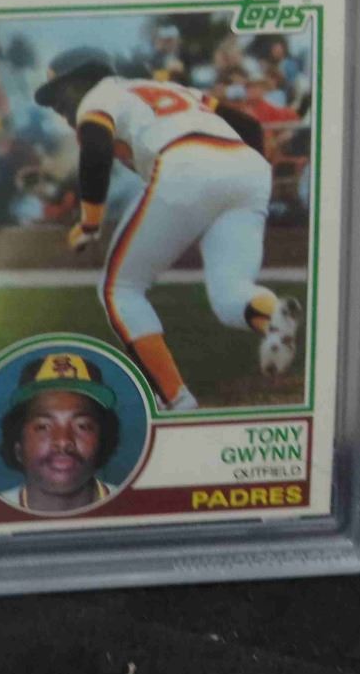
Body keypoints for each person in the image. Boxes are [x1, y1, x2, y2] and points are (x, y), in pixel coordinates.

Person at [33, 48, 301, 411]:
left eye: (59, 93)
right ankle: (274, 320)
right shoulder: (174, 90)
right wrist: (241, 181)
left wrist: (90, 222)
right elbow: (250, 127)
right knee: (230, 294)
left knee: (119, 290)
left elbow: (95, 147)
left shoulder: (98, 97)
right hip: (247, 169)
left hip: (186, 163)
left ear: (82, 79)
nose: (57, 106)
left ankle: (177, 401)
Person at [0, 354, 122, 513]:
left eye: (82, 426)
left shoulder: (133, 508)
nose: (63, 441)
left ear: (103, 442)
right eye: (43, 427)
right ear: (18, 448)